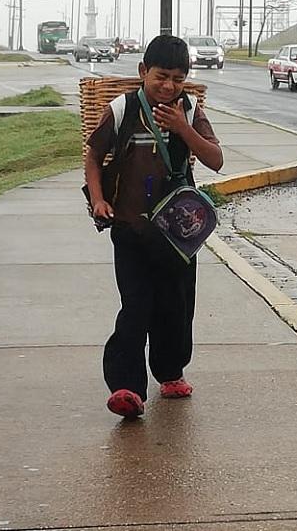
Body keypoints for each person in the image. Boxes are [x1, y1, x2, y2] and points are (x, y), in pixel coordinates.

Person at [84, 35, 223, 418]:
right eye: (161, 76)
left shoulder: (190, 110)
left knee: (175, 306)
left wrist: (183, 127)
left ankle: (171, 371)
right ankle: (126, 387)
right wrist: (98, 199)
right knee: (135, 306)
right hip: (129, 228)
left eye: (178, 78)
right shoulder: (122, 108)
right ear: (143, 72)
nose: (169, 86)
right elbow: (94, 155)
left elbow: (215, 159)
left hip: (178, 234)